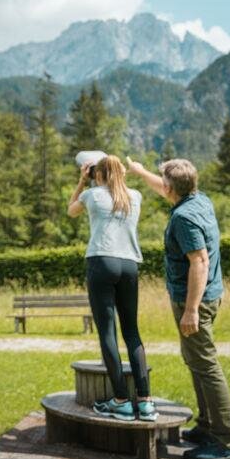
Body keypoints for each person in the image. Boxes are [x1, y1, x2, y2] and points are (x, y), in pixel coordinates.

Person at [126, 156, 230, 459]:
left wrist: (191, 310)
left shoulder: (183, 219)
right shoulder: (199, 200)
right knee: (196, 360)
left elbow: (199, 261)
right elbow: (165, 188)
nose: (161, 185)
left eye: (162, 180)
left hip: (195, 300)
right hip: (207, 295)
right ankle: (207, 425)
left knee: (206, 363)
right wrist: (139, 172)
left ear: (170, 186)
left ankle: (224, 440)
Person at [67, 154, 157, 421]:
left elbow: (70, 209)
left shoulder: (92, 195)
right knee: (132, 332)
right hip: (130, 264)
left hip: (102, 262)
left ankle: (120, 400)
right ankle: (145, 402)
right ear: (122, 173)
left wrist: (81, 181)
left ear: (97, 174)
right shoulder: (136, 196)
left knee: (108, 332)